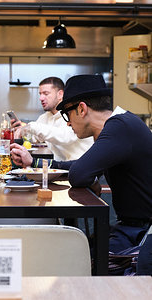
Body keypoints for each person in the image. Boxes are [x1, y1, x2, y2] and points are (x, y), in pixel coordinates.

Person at [11, 74, 152, 254]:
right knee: (71, 250)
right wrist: (34, 162)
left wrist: (89, 177)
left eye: (67, 114)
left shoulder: (119, 128)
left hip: (142, 235)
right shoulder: (119, 125)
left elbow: (79, 173)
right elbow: (80, 166)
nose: (68, 123)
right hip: (132, 227)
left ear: (82, 109)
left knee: (73, 257)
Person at [10, 77, 93, 161]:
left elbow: (65, 137)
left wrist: (31, 127)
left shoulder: (73, 114)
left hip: (84, 165)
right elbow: (35, 138)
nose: (41, 98)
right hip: (62, 167)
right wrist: (22, 130)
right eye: (40, 94)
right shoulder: (45, 117)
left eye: (46, 94)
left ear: (60, 94)